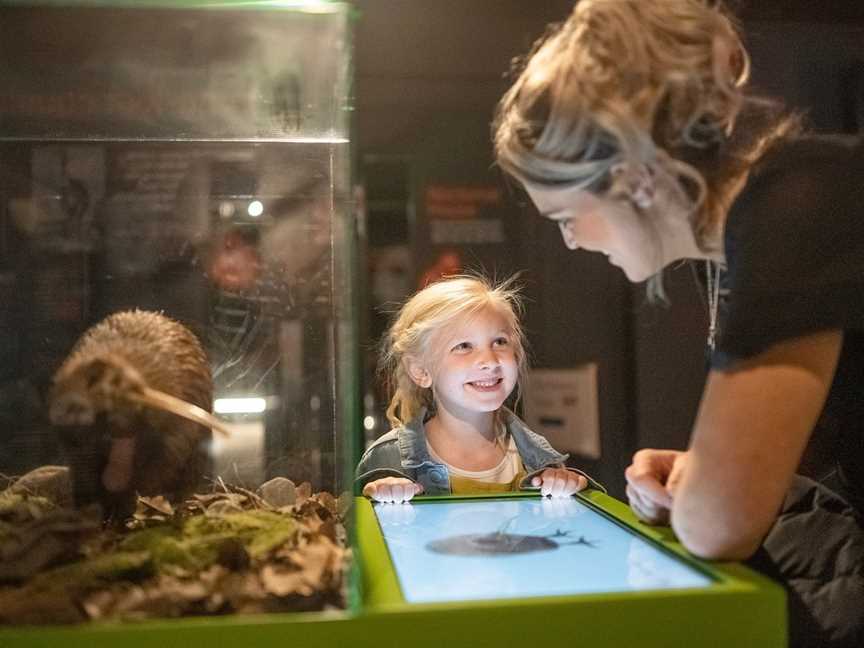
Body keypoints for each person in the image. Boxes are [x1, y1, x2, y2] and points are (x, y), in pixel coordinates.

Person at [493, 1, 864, 646]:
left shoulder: (790, 209)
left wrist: (706, 492)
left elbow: (718, 525)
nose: (574, 242)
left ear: (634, 177)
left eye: (565, 216)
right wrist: (700, 469)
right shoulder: (727, 246)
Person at [356, 275, 601, 502]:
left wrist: (569, 486)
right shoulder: (388, 460)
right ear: (421, 371)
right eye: (463, 346)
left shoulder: (541, 460)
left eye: (499, 342)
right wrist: (377, 500)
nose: (490, 361)